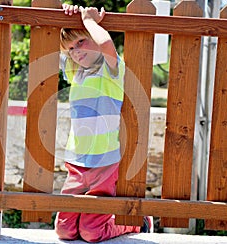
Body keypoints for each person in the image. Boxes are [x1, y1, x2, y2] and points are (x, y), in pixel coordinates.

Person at [55, 3, 152, 243]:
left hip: (104, 164)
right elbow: (51, 39)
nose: (76, 51)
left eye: (82, 42)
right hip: (76, 163)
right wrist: (65, 10)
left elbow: (106, 43)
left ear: (94, 35)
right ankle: (86, 220)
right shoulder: (76, 72)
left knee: (92, 232)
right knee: (64, 231)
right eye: (71, 49)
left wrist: (89, 21)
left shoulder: (111, 69)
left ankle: (138, 224)